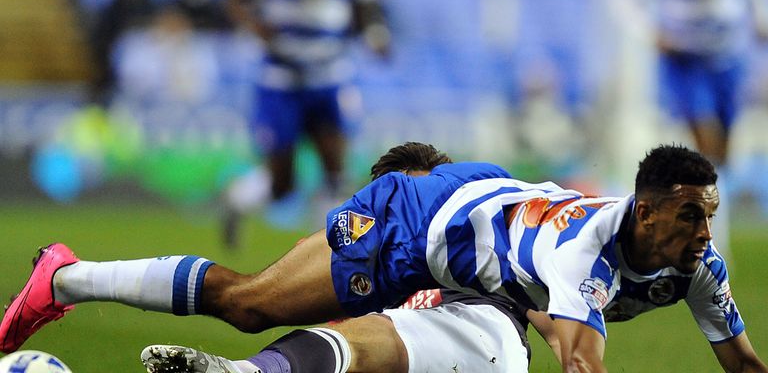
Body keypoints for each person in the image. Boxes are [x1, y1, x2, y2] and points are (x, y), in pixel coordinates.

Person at [2, 144, 766, 372]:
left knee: (464, 352)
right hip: (426, 222)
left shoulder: (698, 269)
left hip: (482, 265)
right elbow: (580, 358)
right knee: (251, 305)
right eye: (693, 215)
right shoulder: (583, 253)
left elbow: (742, 364)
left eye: (712, 217)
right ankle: (64, 276)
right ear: (647, 210)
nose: (706, 231)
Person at [139, 142, 551, 373]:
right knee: (357, 335)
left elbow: (545, 313)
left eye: (426, 198)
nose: (417, 216)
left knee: (377, 333)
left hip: (480, 344)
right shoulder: (367, 264)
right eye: (402, 204)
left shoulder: (485, 249)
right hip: (394, 342)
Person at [221, 0, 391, 242]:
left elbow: (365, 6)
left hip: (330, 73)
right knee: (283, 184)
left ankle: (328, 254)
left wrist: (375, 36)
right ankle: (238, 198)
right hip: (281, 76)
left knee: (335, 171)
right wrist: (256, 27)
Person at [642, 0, 768, 260]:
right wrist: (651, 31)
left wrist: (759, 17)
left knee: (722, 155)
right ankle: (711, 243)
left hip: (729, 57)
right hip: (688, 58)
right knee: (706, 144)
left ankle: (708, 231)